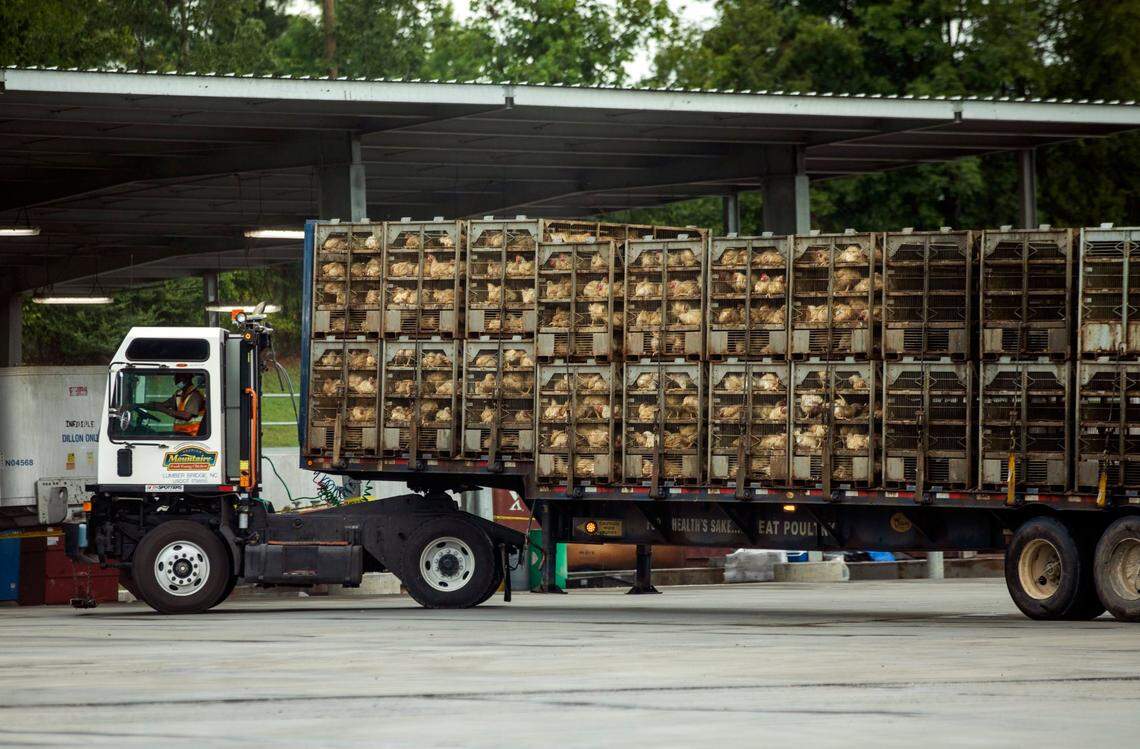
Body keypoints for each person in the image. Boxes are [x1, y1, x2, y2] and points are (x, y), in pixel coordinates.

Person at [152, 373, 207, 437]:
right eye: (175, 378)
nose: (175, 380)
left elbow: (186, 416)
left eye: (178, 378)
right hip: (180, 433)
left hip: (192, 435)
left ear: (186, 379)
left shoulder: (195, 395)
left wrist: (164, 410)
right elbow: (164, 404)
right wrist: (141, 405)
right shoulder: (179, 394)